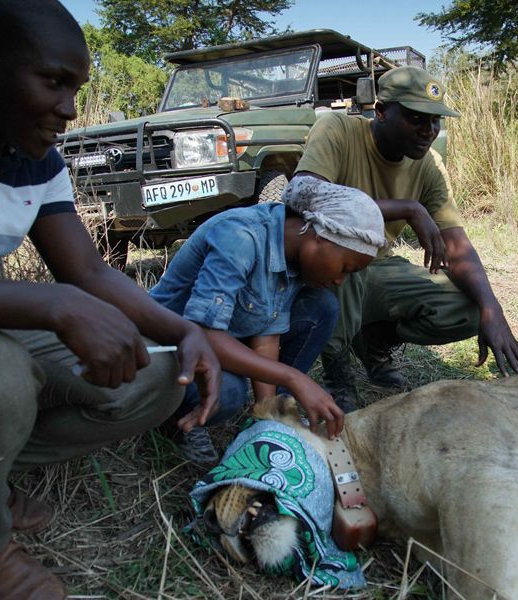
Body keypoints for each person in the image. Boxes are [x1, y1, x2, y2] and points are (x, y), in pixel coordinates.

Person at [0, 1, 220, 598]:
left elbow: (89, 269)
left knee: (155, 375)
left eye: (77, 88)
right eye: (54, 82)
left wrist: (182, 330)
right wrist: (52, 306)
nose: (69, 109)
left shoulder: (35, 156)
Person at [294, 65, 518, 411]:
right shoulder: (338, 129)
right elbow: (302, 194)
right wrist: (406, 208)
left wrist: (491, 309)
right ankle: (338, 370)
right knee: (342, 273)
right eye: (416, 118)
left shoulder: (429, 163)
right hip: (329, 266)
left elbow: (457, 243)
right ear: (381, 111)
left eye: (435, 120)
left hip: (380, 266)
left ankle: (372, 341)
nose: (429, 130)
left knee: (467, 308)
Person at [150, 175, 387, 460]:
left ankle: (275, 415)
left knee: (322, 307)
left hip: (226, 339)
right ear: (320, 236)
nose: (340, 281)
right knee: (230, 393)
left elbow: (267, 330)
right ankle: (176, 420)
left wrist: (267, 414)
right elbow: (201, 333)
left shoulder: (292, 250)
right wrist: (296, 378)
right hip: (172, 350)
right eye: (345, 268)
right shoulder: (240, 236)